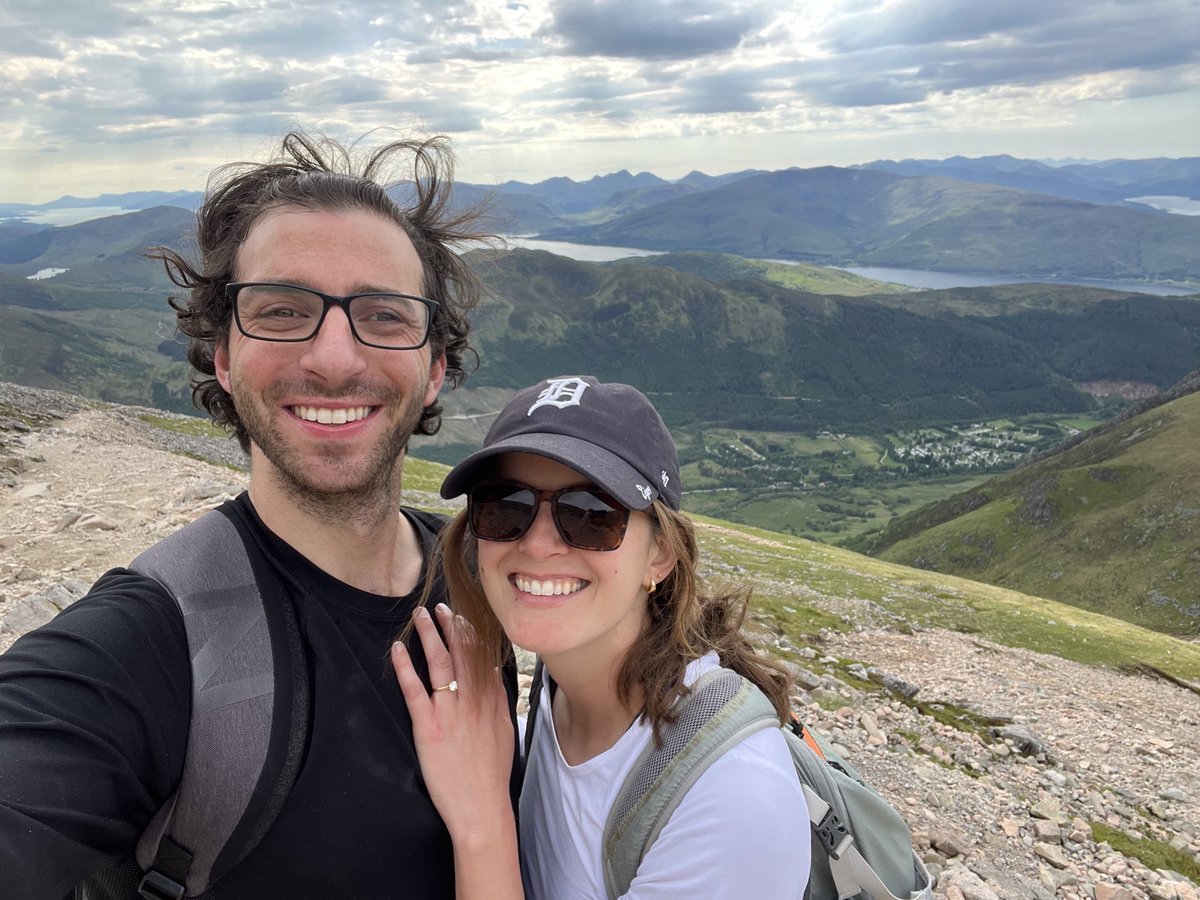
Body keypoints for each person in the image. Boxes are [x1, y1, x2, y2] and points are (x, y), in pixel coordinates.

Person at [0, 131, 514, 899]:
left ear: (434, 367)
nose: (336, 358)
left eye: (384, 315)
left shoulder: (489, 578)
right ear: (222, 357)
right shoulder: (150, 645)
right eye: (281, 310)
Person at [393, 375, 811, 899]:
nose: (539, 544)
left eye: (591, 515)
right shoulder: (563, 678)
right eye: (506, 505)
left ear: (660, 553)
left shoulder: (733, 798)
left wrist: (481, 820)